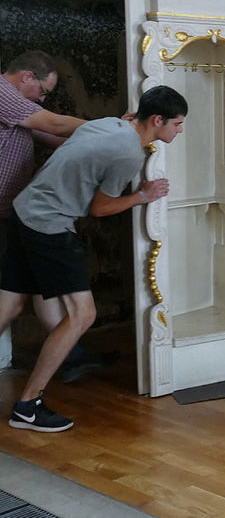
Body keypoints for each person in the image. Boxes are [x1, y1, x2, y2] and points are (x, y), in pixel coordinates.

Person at [2, 84, 187, 432]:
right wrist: (142, 196)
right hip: (48, 224)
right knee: (82, 315)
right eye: (177, 124)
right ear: (157, 120)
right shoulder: (127, 153)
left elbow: (76, 140)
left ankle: (37, 394)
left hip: (23, 212)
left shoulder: (109, 125)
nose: (180, 130)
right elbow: (99, 208)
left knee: (9, 307)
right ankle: (28, 405)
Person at [0, 51, 116, 382]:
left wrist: (97, 142)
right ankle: (69, 357)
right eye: (43, 91)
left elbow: (51, 137)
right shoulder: (4, 94)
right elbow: (52, 123)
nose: (43, 99)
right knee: (20, 297)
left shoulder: (19, 111)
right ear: (25, 77)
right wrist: (115, 129)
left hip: (17, 213)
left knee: (38, 290)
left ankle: (71, 355)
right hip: (11, 213)